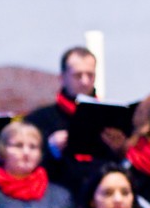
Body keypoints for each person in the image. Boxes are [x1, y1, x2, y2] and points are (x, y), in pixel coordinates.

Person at [25, 46, 127, 196]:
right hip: (58, 192)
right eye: (78, 75)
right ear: (62, 78)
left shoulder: (110, 115)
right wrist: (50, 149)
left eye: (90, 75)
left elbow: (119, 164)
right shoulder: (39, 119)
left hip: (103, 194)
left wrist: (120, 149)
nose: (85, 81)